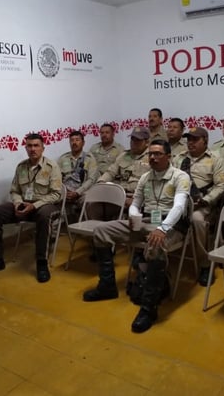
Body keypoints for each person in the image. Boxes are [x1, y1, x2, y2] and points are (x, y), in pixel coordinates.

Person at [83, 140, 190, 334]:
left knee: (155, 245)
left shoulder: (180, 177)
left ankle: (149, 308)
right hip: (146, 220)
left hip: (170, 224)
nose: (153, 157)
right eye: (151, 154)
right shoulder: (145, 177)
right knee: (101, 232)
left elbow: (179, 206)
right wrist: (133, 215)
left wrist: (163, 228)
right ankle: (107, 286)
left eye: (158, 154)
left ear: (169, 157)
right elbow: (135, 202)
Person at [0, 133, 62, 282]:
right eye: (29, 146)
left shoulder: (52, 167)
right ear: (26, 148)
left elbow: (56, 194)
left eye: (36, 146)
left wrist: (34, 206)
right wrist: (18, 204)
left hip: (44, 206)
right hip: (23, 205)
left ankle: (41, 263)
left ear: (43, 148)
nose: (33, 149)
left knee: (44, 216)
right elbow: (14, 190)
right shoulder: (21, 167)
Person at [175, 127, 224, 286]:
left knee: (197, 220)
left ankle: (205, 264)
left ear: (205, 140)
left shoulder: (216, 159)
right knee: (154, 212)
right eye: (188, 139)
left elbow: (221, 185)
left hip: (202, 203)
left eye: (195, 139)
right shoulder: (178, 158)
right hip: (178, 201)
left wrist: (206, 200)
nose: (190, 142)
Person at [97, 126, 150, 211]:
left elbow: (153, 184)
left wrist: (138, 200)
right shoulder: (124, 155)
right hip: (120, 195)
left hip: (139, 197)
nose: (133, 142)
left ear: (147, 142)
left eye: (138, 140)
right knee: (94, 205)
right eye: (132, 139)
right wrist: (101, 183)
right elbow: (111, 172)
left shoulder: (152, 157)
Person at [57, 130, 98, 222]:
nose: (74, 143)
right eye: (72, 140)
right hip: (66, 191)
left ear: (83, 143)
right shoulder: (63, 159)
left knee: (89, 201)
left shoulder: (90, 159)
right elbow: (57, 178)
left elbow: (91, 180)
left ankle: (89, 226)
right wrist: (64, 191)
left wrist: (77, 192)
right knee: (52, 198)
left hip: (83, 192)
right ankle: (55, 228)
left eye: (77, 140)